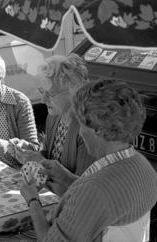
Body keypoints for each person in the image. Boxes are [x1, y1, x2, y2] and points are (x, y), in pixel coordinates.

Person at [20, 79, 157, 241]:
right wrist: (67, 177)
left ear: (98, 130)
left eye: (81, 125)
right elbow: (102, 203)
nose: (80, 133)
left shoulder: (95, 190)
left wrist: (33, 200)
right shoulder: (143, 166)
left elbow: (49, 239)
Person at [15, 53, 95, 180]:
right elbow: (48, 155)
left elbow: (83, 186)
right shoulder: (54, 116)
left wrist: (41, 161)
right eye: (42, 91)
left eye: (51, 94)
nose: (43, 99)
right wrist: (30, 153)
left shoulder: (86, 129)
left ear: (74, 92)